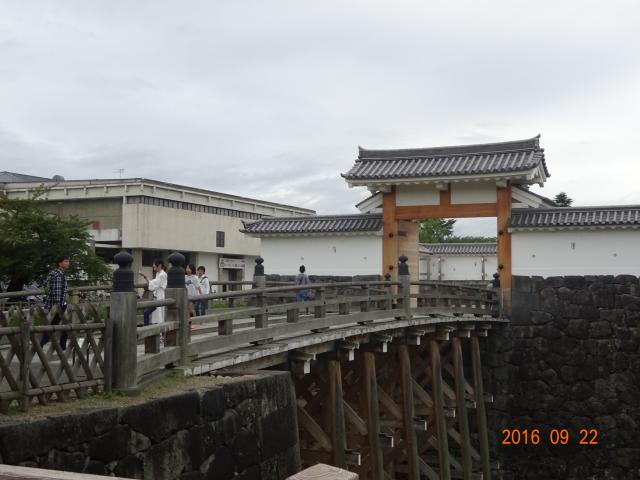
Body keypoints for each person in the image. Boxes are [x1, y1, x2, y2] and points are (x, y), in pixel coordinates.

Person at [41, 255, 70, 350]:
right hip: (57, 305)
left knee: (61, 324)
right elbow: (57, 292)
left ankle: (61, 345)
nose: (68, 263)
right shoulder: (58, 275)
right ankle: (41, 344)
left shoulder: (55, 273)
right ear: (60, 263)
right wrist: (58, 307)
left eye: (68, 261)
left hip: (53, 304)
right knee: (56, 326)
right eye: (66, 261)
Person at [138, 259, 167, 325]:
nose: (154, 269)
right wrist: (145, 276)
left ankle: (148, 327)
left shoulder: (163, 274)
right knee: (148, 312)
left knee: (148, 312)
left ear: (159, 266)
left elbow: (154, 283)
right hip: (156, 297)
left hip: (160, 296)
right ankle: (148, 327)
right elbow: (153, 283)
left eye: (154, 267)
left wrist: (144, 276)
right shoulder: (158, 274)